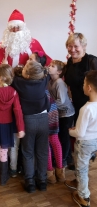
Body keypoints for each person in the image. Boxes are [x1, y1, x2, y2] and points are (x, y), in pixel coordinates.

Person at [12, 60, 50, 193]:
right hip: (44, 119)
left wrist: (18, 69)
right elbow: (47, 72)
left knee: (28, 152)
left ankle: (30, 182)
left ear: (26, 75)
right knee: (42, 151)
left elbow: (13, 75)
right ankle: (42, 181)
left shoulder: (19, 82)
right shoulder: (43, 81)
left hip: (28, 120)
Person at [29, 52, 64, 184]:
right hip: (52, 108)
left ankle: (50, 173)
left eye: (31, 59)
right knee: (54, 140)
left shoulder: (35, 73)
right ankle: (60, 172)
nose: (28, 61)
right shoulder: (46, 74)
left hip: (45, 109)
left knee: (45, 144)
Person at [64, 70, 97, 207]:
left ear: (89, 88)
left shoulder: (86, 109)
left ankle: (84, 196)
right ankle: (78, 181)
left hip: (84, 143)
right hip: (94, 142)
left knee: (81, 168)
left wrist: (69, 131)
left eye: (84, 83)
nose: (83, 85)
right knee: (83, 165)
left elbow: (80, 133)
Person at [64, 32, 97, 168]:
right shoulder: (70, 62)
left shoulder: (92, 61)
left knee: (88, 136)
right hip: (76, 105)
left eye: (76, 46)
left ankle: (85, 163)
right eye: (69, 46)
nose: (72, 49)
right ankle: (81, 162)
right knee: (80, 134)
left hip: (91, 105)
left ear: (83, 46)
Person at [48, 60, 75, 174]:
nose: (49, 67)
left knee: (64, 137)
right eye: (50, 65)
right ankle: (65, 157)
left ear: (59, 72)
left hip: (66, 114)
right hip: (59, 113)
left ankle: (63, 159)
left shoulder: (59, 82)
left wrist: (49, 106)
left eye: (52, 66)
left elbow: (62, 101)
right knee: (60, 136)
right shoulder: (50, 81)